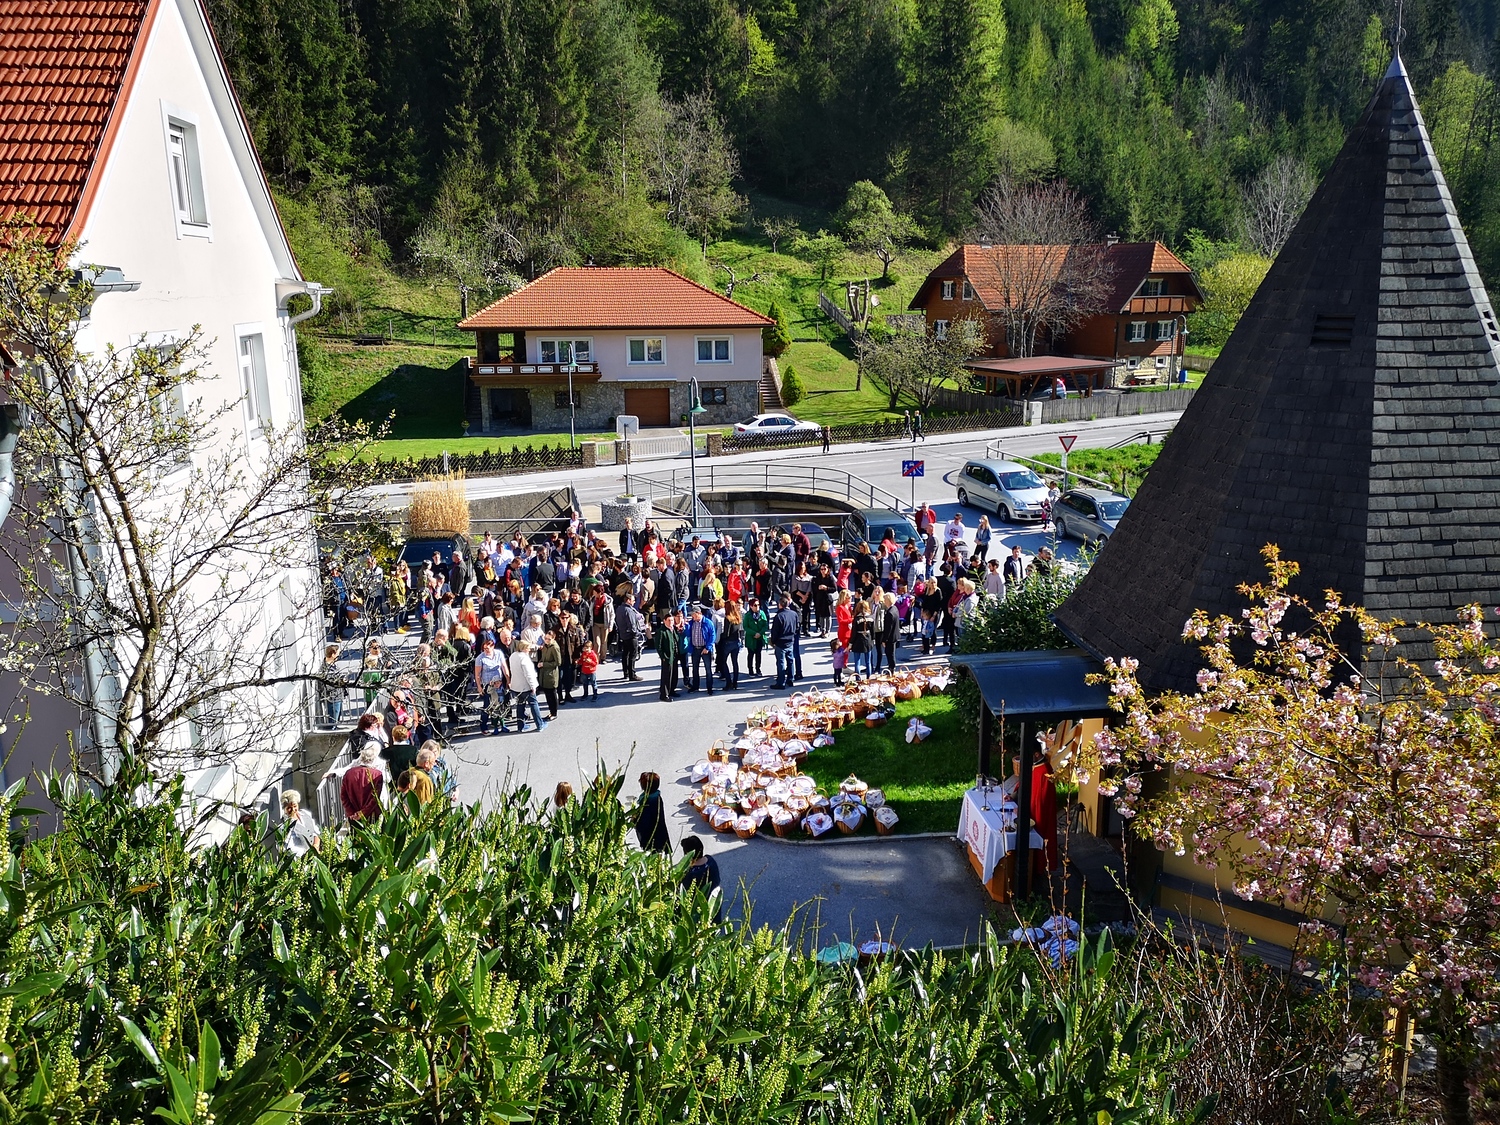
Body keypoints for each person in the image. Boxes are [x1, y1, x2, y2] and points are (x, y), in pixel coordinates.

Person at [339, 741, 385, 823]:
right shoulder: (377, 774)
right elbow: (375, 798)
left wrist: (351, 812)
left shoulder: (349, 773)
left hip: (353, 815)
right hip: (372, 814)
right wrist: (362, 813)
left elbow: (343, 796)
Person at [508, 639, 548, 733]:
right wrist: (533, 686)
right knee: (534, 704)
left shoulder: (513, 656)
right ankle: (539, 725)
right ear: (524, 648)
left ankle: (520, 726)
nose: (529, 650)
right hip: (526, 687)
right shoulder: (524, 659)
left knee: (520, 706)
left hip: (516, 686)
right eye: (528, 648)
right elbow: (528, 674)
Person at [679, 835, 722, 920]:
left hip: (698, 910)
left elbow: (683, 891)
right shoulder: (711, 860)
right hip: (714, 902)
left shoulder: (690, 873)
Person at [474, 638, 508, 735]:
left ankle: (501, 724)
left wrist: (508, 680)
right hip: (488, 685)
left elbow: (504, 667)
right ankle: (483, 726)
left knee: (500, 704)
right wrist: (479, 686)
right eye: (484, 648)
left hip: (499, 684)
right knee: (488, 706)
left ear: (493, 647)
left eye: (488, 648)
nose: (486, 650)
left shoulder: (499, 654)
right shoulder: (480, 658)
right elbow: (477, 674)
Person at [635, 772, 671, 852]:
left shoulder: (648, 801)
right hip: (660, 832)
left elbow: (644, 822)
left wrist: (635, 818)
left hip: (652, 837)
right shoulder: (657, 796)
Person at [770, 594, 799, 689]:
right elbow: (797, 627)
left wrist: (773, 641)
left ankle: (781, 682)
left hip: (781, 642)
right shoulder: (793, 614)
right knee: (790, 661)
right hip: (790, 640)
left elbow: (775, 631)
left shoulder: (779, 616)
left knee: (781, 662)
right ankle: (790, 679)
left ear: (780, 605)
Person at [280, 790, 320, 856]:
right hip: (302, 858)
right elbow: (289, 849)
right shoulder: (284, 827)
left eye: (295, 806)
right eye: (289, 808)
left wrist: (316, 845)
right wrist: (309, 852)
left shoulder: (305, 814)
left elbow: (315, 832)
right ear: (284, 809)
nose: (293, 810)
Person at [617, 593, 645, 681]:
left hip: (623, 634)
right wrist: (636, 633)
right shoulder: (629, 610)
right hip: (631, 635)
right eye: (633, 600)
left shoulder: (619, 608)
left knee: (625, 654)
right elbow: (632, 624)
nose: (634, 602)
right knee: (633, 655)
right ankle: (632, 674)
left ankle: (626, 673)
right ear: (628, 600)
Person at [656, 609, 681, 701]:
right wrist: (663, 657)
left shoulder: (673, 629)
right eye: (669, 620)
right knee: (666, 676)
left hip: (674, 656)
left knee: (674, 674)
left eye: (672, 620)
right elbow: (658, 646)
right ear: (664, 621)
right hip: (667, 657)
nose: (671, 622)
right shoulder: (661, 631)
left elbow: (676, 639)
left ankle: (672, 690)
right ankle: (664, 695)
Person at [849, 598, 875, 680]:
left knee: (857, 662)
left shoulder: (856, 619)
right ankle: (869, 678)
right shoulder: (871, 618)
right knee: (868, 662)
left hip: (858, 640)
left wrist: (850, 643)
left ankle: (858, 679)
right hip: (868, 640)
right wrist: (873, 640)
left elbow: (853, 633)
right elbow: (873, 631)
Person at [875, 591, 900, 672]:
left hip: (890, 637)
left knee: (889, 653)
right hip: (895, 635)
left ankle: (891, 669)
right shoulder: (895, 609)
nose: (884, 601)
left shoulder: (889, 613)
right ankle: (891, 667)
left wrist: (884, 640)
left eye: (885, 600)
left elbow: (888, 628)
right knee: (891, 653)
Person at [721, 602, 744, 689]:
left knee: (723, 662)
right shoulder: (738, 617)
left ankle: (728, 682)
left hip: (728, 642)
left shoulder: (727, 618)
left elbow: (726, 633)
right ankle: (735, 682)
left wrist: (721, 637)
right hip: (736, 641)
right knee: (735, 662)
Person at [744, 597, 768, 677]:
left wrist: (760, 633)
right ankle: (750, 670)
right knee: (750, 654)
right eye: (755, 605)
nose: (757, 607)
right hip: (751, 638)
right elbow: (746, 627)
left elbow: (765, 625)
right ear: (751, 606)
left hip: (759, 638)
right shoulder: (747, 615)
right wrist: (754, 633)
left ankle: (758, 669)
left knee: (758, 654)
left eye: (758, 605)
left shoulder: (762, 613)